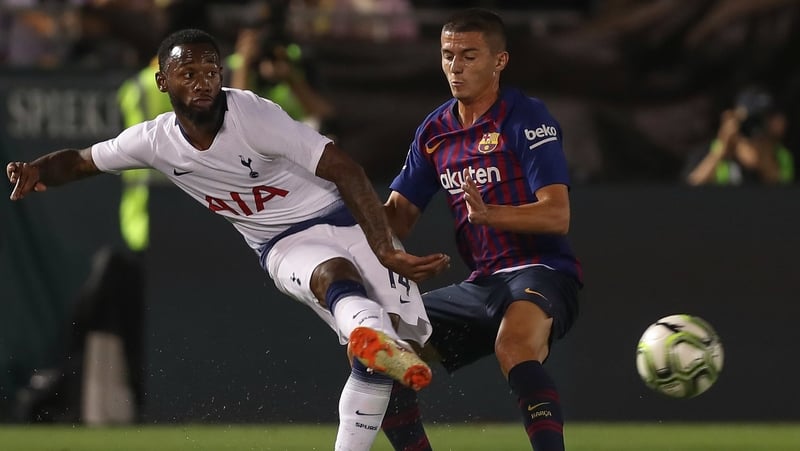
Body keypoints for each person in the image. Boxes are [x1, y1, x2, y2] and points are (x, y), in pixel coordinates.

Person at [6, 28, 450, 450]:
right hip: (282, 241)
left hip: (345, 217)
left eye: (211, 71)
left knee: (395, 368)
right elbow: (83, 161)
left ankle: (372, 337)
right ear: (163, 82)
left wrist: (385, 248)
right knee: (334, 278)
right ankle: (370, 332)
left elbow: (346, 170)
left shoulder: (252, 115)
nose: (203, 82)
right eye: (188, 73)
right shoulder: (154, 140)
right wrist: (37, 171)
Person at [381, 9, 583, 451]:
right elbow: (397, 218)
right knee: (383, 355)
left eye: (469, 56)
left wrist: (493, 214)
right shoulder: (435, 132)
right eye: (448, 55)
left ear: (499, 61)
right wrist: (345, 210)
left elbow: (557, 215)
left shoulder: (527, 119)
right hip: (481, 286)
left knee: (514, 347)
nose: (455, 67)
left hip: (542, 271)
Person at [686, 86, 794, 186]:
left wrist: (764, 157)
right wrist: (721, 150)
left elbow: (783, 195)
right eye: (751, 119)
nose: (756, 126)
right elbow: (688, 194)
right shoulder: (708, 151)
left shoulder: (781, 155)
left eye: (765, 119)